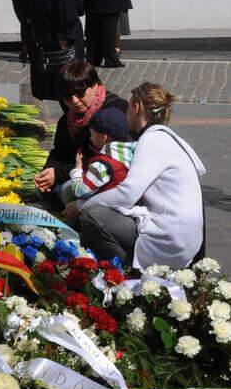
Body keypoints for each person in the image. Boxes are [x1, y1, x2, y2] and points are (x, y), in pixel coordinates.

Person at [79, 83, 206, 269]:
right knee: (99, 216)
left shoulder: (153, 140)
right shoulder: (164, 137)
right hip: (184, 232)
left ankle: (128, 273)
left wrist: (82, 206)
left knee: (92, 215)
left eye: (129, 106)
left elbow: (127, 193)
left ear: (136, 107)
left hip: (171, 236)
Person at [33, 63, 127, 209]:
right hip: (78, 171)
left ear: (95, 85)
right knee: (43, 189)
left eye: (80, 94)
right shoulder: (68, 119)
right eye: (67, 96)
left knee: (67, 192)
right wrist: (47, 172)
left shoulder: (113, 112)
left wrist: (58, 174)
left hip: (107, 176)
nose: (74, 101)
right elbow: (59, 151)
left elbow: (107, 159)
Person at [60, 106, 135, 210]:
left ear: (104, 137)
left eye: (91, 134)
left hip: (105, 209)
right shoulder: (129, 151)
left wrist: (78, 168)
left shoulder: (103, 165)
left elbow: (80, 191)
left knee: (66, 191)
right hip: (121, 202)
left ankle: (77, 223)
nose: (90, 138)